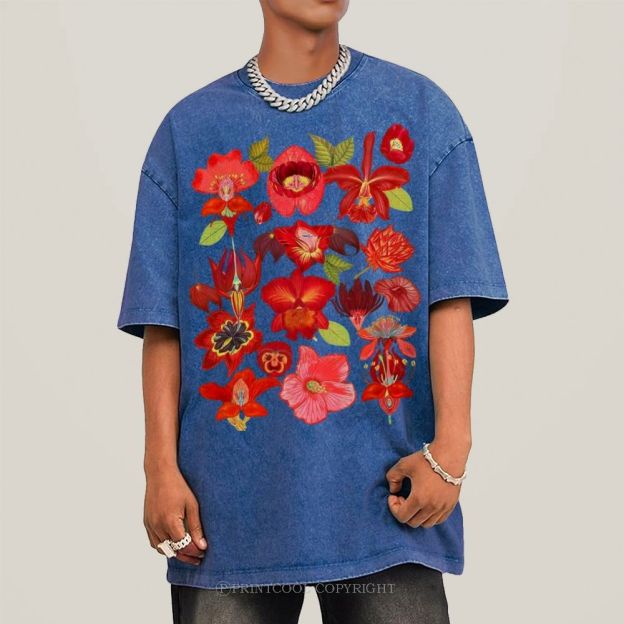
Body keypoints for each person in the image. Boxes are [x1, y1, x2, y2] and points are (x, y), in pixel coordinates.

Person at [117, 1, 508, 621]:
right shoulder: (189, 132)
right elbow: (163, 323)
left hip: (389, 502)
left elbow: (450, 295)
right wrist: (158, 467)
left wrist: (452, 452)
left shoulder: (422, 112)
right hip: (227, 513)